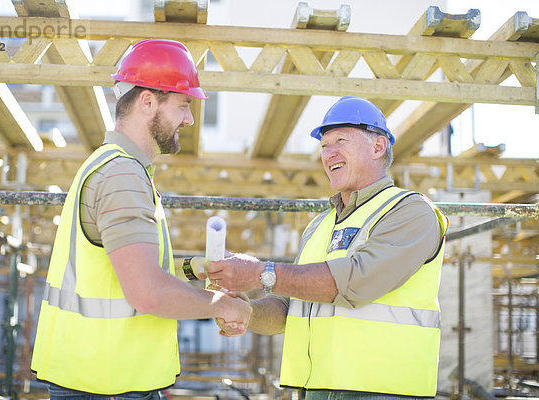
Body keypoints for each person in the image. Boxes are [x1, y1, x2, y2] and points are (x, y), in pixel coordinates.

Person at [31, 39, 251, 399]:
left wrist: (194, 268)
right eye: (183, 105)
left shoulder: (115, 167)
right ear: (148, 101)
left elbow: (125, 273)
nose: (190, 118)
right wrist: (224, 305)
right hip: (107, 384)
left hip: (101, 378)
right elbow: (147, 293)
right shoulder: (121, 175)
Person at [207, 96, 448, 399]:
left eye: (340, 141)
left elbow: (356, 281)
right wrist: (246, 312)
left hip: (382, 391)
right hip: (316, 389)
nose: (328, 153)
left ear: (378, 147)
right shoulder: (319, 226)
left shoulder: (409, 211)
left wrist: (258, 273)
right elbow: (287, 306)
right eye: (324, 146)